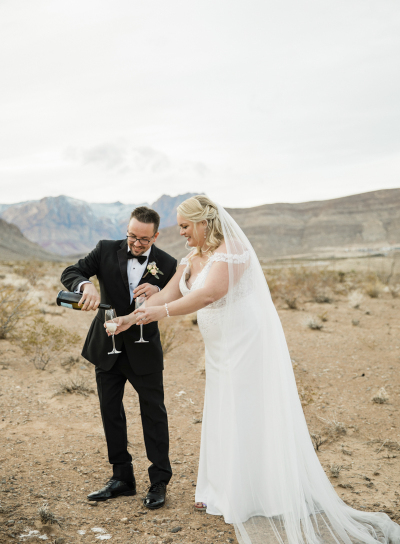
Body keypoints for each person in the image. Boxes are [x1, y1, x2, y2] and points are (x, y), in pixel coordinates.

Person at [109, 195, 400, 544]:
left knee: (248, 409)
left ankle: (256, 494)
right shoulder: (192, 258)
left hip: (246, 341)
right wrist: (129, 318)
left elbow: (209, 295)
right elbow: (166, 294)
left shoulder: (231, 250)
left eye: (185, 226)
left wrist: (160, 315)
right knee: (223, 408)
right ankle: (221, 489)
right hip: (219, 349)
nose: (182, 233)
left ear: (203, 223)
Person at [61, 206, 177, 509]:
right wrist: (85, 285)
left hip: (144, 350)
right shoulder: (104, 250)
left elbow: (178, 293)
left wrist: (159, 288)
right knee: (110, 410)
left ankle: (159, 481)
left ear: (156, 236)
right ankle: (122, 478)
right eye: (131, 237)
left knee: (154, 413)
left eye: (143, 240)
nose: (136, 244)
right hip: (107, 345)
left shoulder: (167, 262)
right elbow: (70, 273)